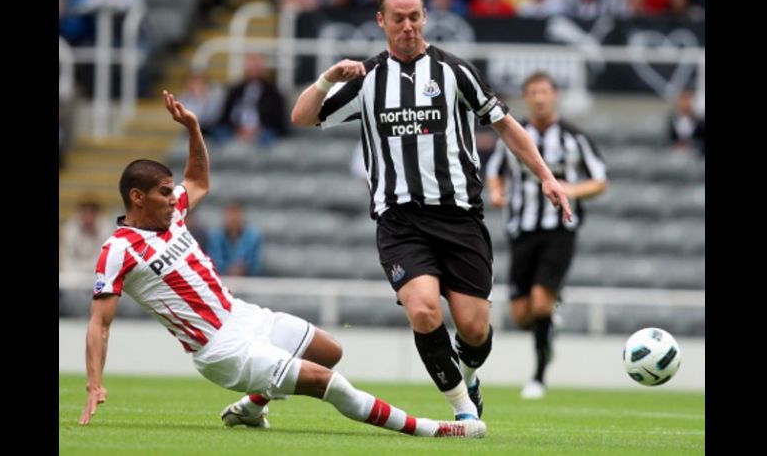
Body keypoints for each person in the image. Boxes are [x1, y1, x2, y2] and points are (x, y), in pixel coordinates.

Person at [78, 90, 485, 439]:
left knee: (329, 350)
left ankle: (252, 408)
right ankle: (433, 428)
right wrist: (95, 383)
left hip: (244, 316)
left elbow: (199, 180)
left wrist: (194, 129)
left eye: (171, 192)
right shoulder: (118, 250)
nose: (174, 197)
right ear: (137, 197)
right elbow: (99, 322)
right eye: (164, 193)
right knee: (328, 383)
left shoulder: (173, 214)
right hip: (220, 349)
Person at [290, 0, 572, 421]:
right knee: (423, 310)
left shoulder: (454, 72)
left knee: (475, 330)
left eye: (415, 17)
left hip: (459, 217)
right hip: (399, 221)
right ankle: (464, 412)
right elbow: (303, 115)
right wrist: (327, 78)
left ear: (426, 18)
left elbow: (505, 125)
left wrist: (546, 177)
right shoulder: (367, 80)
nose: (408, 26)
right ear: (381, 21)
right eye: (398, 18)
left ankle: (470, 377)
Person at [485, 71, 608, 399]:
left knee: (540, 300)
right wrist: (497, 193)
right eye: (533, 93)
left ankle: (538, 377)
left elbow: (599, 180)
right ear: (526, 97)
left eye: (545, 92)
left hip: (559, 230)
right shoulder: (513, 135)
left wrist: (571, 189)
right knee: (521, 314)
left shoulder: (575, 138)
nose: (539, 98)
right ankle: (548, 325)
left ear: (555, 95)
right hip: (521, 230)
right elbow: (494, 174)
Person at [206, 201, 264, 276]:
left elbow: (256, 263)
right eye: (230, 213)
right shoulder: (215, 237)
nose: (233, 217)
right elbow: (214, 260)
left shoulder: (254, 237)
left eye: (236, 213)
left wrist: (243, 268)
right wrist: (228, 269)